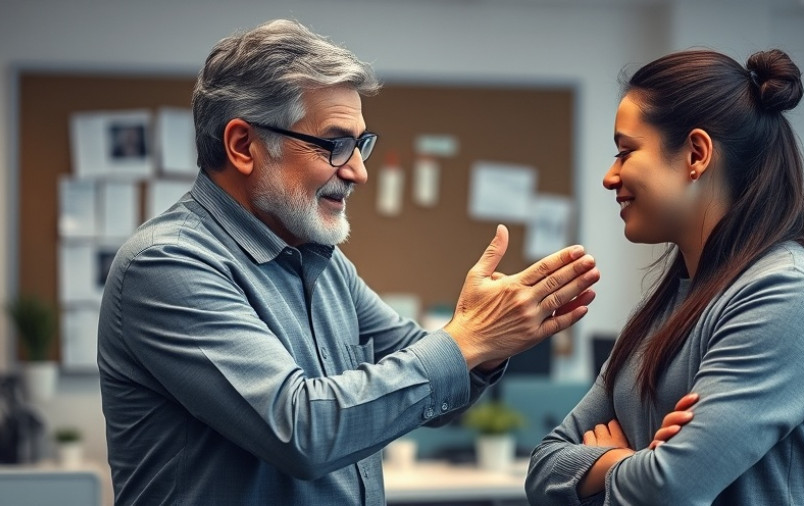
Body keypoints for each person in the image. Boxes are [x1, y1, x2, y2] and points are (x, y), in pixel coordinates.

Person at [97, 18, 600, 505]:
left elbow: (435, 385)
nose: (358, 170)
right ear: (243, 145)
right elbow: (302, 430)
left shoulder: (323, 262)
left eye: (361, 145)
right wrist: (469, 338)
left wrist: (490, 342)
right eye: (335, 144)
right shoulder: (168, 264)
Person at [525, 48, 804, 505]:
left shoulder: (790, 293)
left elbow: (668, 490)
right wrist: (630, 462)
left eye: (626, 152)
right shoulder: (672, 303)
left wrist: (608, 463)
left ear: (696, 154)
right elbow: (544, 468)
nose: (610, 176)